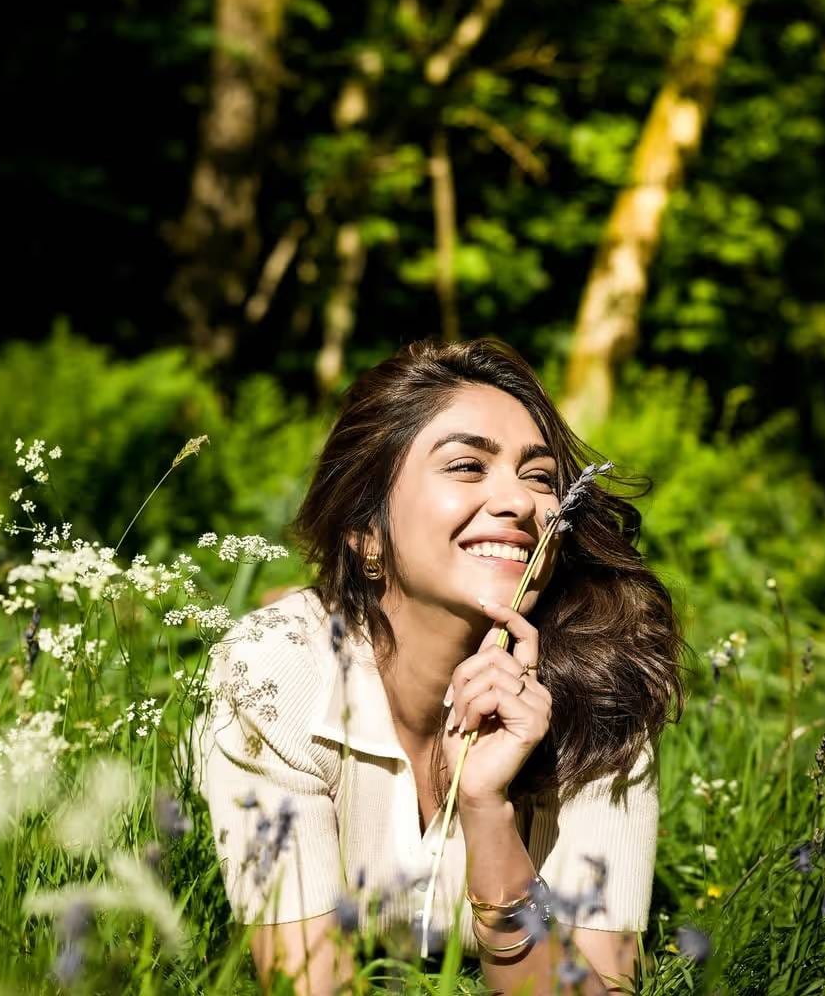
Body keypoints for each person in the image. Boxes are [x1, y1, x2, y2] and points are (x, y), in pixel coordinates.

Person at [191, 336, 689, 994]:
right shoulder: (275, 672)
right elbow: (310, 981)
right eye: (466, 466)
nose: (520, 502)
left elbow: (596, 985)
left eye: (540, 476)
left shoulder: (604, 688)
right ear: (366, 533)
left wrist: (487, 811)